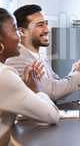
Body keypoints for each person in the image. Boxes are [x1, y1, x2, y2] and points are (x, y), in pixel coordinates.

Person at [5, 4, 80, 101]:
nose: (47, 29)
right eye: (40, 25)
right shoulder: (16, 59)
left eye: (46, 23)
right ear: (22, 32)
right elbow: (54, 92)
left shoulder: (40, 57)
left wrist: (77, 69)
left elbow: (58, 86)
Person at [0, 8, 60, 146]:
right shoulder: (4, 75)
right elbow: (52, 115)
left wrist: (26, 88)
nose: (19, 36)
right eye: (15, 30)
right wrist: (36, 90)